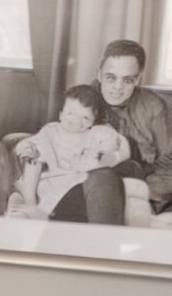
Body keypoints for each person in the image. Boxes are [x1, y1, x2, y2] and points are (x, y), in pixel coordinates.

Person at [7, 84, 131, 221]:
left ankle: (36, 214)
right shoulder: (51, 131)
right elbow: (30, 148)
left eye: (85, 117)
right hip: (53, 184)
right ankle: (28, 203)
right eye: (71, 113)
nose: (76, 121)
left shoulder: (95, 134)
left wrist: (109, 157)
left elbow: (121, 145)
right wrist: (27, 149)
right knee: (33, 160)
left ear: (93, 121)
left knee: (106, 183)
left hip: (80, 184)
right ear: (61, 114)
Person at [91, 38, 172, 216]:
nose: (117, 88)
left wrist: (140, 189)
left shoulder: (154, 105)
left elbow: (169, 158)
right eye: (110, 77)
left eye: (127, 80)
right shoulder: (84, 102)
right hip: (97, 186)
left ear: (138, 79)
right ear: (99, 74)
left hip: (149, 186)